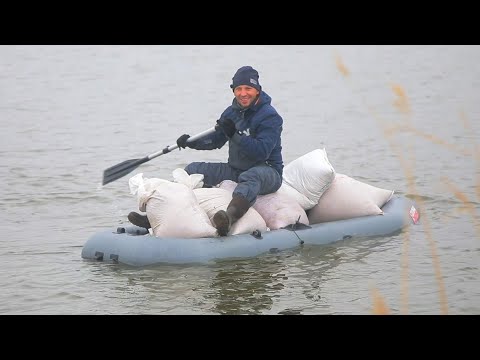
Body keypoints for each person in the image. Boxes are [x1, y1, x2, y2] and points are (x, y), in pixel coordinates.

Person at [128, 66, 284, 236]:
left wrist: (234, 134)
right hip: (236, 169)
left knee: (251, 176)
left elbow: (262, 152)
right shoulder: (231, 113)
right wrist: (190, 142)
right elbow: (215, 141)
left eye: (248, 88)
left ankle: (229, 218)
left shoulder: (270, 116)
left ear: (257, 90)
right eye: (239, 89)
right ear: (233, 91)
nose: (243, 93)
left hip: (268, 171)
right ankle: (155, 218)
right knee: (193, 169)